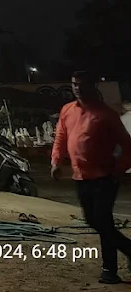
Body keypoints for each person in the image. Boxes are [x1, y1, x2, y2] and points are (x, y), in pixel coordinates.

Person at [51, 71, 131, 283]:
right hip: (80, 176)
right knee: (93, 220)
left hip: (105, 177)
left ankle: (110, 270)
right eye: (74, 84)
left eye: (81, 84)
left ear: (92, 86)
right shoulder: (67, 110)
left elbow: (127, 145)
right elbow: (61, 136)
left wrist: (119, 170)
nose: (77, 88)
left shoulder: (106, 114)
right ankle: (128, 249)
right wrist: (56, 161)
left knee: (103, 221)